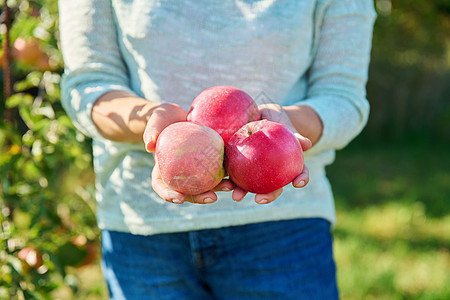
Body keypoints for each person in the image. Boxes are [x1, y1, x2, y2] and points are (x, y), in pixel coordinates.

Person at [58, 0, 376, 299]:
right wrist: (153, 125)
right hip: (144, 231)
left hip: (283, 230)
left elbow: (342, 98)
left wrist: (281, 131)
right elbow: (89, 85)